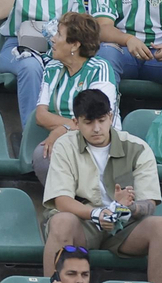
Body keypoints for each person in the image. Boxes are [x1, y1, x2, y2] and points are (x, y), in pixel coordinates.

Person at [41, 87, 162, 283]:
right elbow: (61, 200)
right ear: (76, 123)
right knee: (60, 221)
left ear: (110, 117)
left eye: (101, 121)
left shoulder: (137, 147)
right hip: (83, 222)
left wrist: (125, 208)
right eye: (88, 122)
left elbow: (149, 203)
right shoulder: (65, 146)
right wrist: (97, 214)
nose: (96, 128)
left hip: (124, 226)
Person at [30, 13, 121, 179]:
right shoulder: (52, 68)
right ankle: (64, 203)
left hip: (99, 139)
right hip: (66, 142)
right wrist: (66, 128)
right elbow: (41, 116)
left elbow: (99, 119)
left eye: (59, 34)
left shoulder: (100, 69)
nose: (53, 39)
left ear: (74, 45)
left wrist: (63, 129)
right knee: (42, 155)